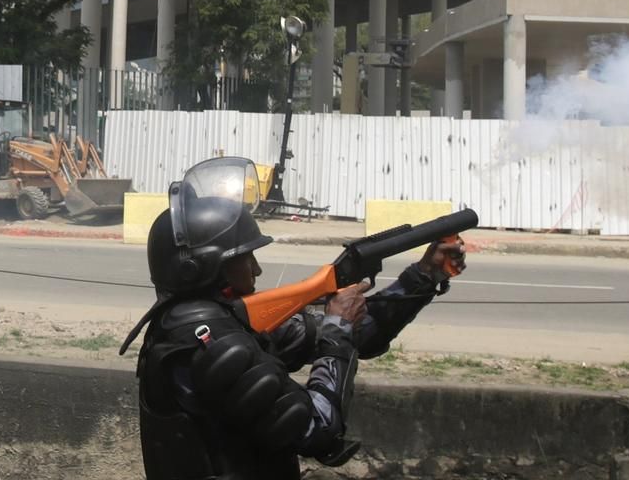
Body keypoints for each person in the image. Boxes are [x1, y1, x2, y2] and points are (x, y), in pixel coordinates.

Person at [120, 156, 466, 480]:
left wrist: (423, 275)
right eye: (244, 257)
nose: (255, 268)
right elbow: (319, 428)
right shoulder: (212, 344)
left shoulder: (216, 324)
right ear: (209, 268)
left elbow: (364, 334)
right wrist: (337, 329)